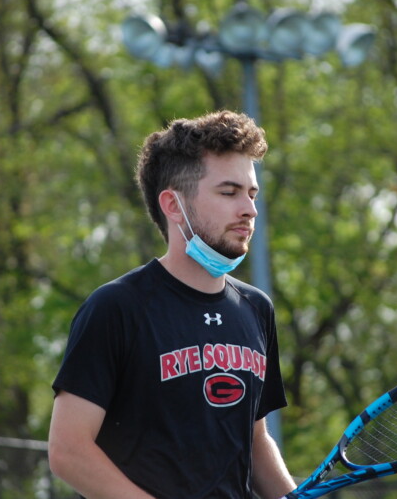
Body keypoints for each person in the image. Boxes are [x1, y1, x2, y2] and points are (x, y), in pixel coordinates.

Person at [48, 110, 296, 499]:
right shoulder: (116, 308)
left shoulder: (256, 309)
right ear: (174, 206)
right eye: (229, 192)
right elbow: (68, 451)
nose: (249, 209)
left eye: (251, 194)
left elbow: (255, 439)